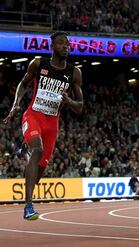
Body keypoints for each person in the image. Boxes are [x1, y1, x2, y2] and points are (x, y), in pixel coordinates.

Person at [3, 31, 83, 220]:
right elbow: (23, 85)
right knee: (37, 149)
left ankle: (29, 193)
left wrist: (69, 100)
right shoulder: (39, 64)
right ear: (53, 46)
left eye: (68, 44)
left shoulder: (74, 72)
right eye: (62, 43)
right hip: (33, 115)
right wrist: (16, 104)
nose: (66, 46)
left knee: (42, 165)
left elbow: (80, 107)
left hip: (52, 123)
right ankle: (28, 205)